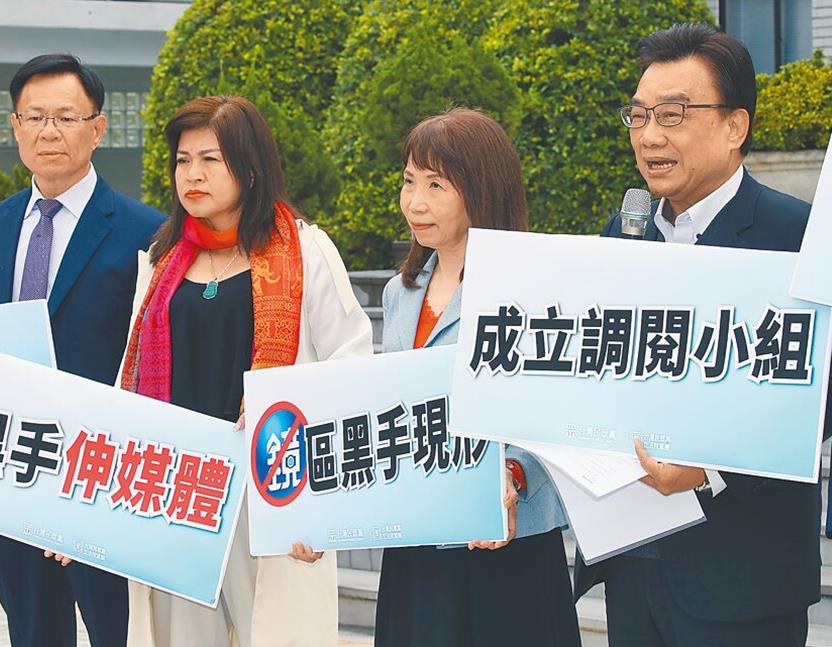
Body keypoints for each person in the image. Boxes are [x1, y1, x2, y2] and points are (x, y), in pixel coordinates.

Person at [0, 53, 166, 647]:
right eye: (34, 117)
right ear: (15, 127)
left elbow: (154, 356)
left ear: (98, 128)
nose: (49, 132)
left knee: (119, 630)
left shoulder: (146, 231)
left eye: (66, 117)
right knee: (33, 631)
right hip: (12, 468)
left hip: (99, 473)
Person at [575, 23, 821, 647]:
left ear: (735, 126)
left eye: (673, 115)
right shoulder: (622, 235)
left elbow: (822, 398)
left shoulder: (797, 238)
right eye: (638, 116)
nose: (649, 136)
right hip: (633, 561)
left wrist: (710, 467)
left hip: (744, 572)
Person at [116, 95, 373, 647]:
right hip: (179, 492)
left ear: (250, 167)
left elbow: (351, 363)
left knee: (274, 631)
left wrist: (325, 503)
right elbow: (128, 379)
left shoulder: (304, 249)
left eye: (211, 159)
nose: (193, 174)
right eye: (183, 160)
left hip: (269, 490)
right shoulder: (162, 259)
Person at [375, 108, 581, 647]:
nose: (414, 202)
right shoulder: (400, 292)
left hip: (505, 540)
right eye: (409, 182)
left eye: (436, 185)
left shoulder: (535, 289)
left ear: (481, 190)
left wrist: (513, 471)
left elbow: (561, 410)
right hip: (418, 536)